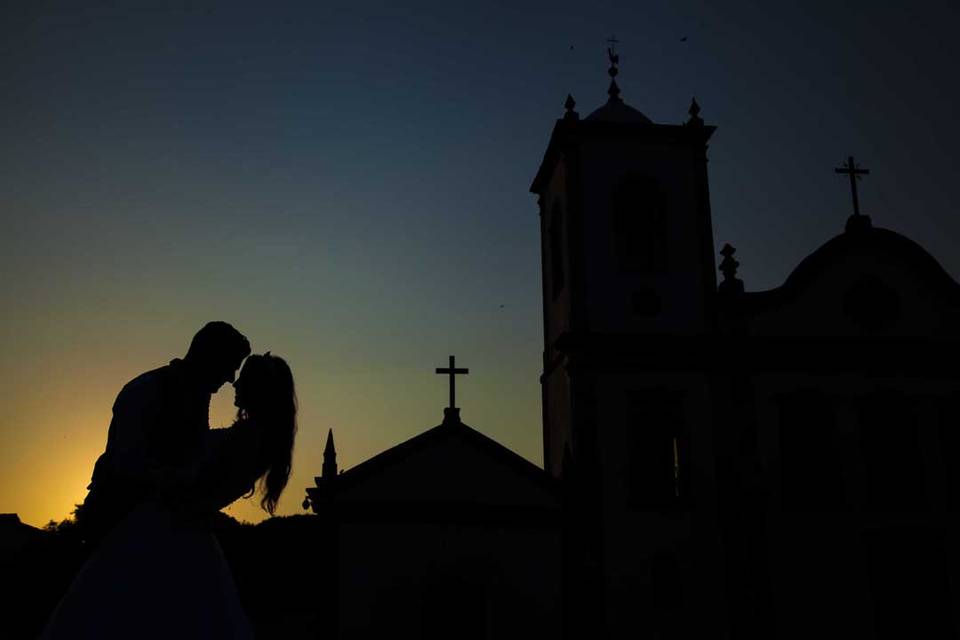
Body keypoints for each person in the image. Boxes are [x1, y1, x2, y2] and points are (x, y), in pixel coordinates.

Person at [41, 353, 298, 639]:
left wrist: (155, 475)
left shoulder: (248, 440)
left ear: (258, 390)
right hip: (179, 530)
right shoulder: (255, 440)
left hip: (167, 531)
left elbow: (198, 484)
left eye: (244, 380)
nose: (235, 384)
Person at [76, 321, 251, 546]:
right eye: (230, 366)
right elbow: (127, 462)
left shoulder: (195, 397)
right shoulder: (147, 390)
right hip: (120, 527)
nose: (230, 378)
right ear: (210, 357)